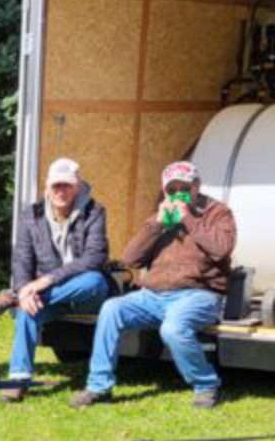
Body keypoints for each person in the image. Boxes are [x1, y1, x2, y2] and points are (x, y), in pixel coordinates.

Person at [71, 160, 235, 410]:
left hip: (198, 294)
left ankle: (205, 384)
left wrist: (188, 220)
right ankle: (98, 386)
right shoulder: (160, 216)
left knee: (172, 328)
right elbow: (130, 259)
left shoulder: (217, 212)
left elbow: (222, 250)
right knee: (111, 309)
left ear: (197, 186)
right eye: (172, 189)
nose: (177, 193)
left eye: (184, 187)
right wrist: (155, 225)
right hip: (153, 295)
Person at [0, 157, 110, 402]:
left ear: (77, 186)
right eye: (56, 186)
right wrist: (25, 289)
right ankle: (18, 379)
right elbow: (21, 260)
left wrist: (45, 282)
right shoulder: (30, 216)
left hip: (86, 294)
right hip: (52, 297)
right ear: (47, 187)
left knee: (94, 281)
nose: (61, 192)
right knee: (27, 310)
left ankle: (13, 299)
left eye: (66, 186)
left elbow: (94, 258)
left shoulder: (94, 212)